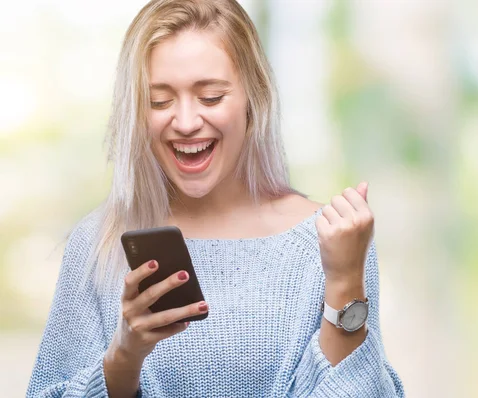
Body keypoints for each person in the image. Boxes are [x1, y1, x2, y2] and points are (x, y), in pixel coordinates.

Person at [26, 0, 405, 396]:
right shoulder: (99, 247)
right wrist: (125, 354)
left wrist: (345, 280)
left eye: (210, 97)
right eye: (160, 101)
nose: (187, 122)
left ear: (252, 99)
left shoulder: (328, 242)